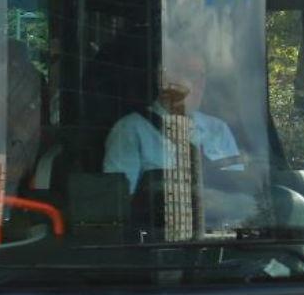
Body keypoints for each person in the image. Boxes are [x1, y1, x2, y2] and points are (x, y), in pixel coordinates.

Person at [102, 50, 244, 195]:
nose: (200, 85)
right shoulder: (130, 130)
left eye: (203, 76)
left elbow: (240, 192)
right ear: (164, 79)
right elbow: (120, 201)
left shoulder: (218, 129)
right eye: (192, 74)